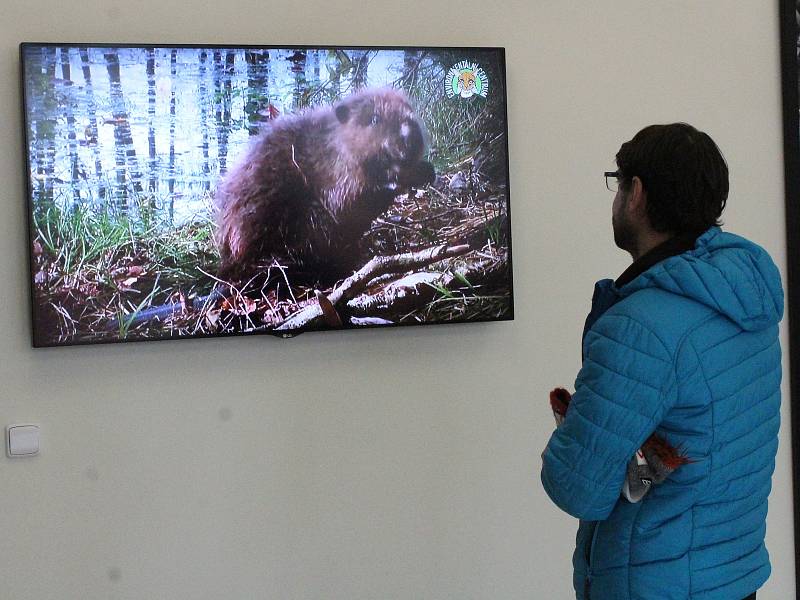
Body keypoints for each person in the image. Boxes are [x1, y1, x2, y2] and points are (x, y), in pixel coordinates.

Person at [540, 123, 783, 600]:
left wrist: (575, 429)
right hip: (732, 576)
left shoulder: (638, 326)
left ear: (637, 195)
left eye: (618, 182)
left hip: (656, 585)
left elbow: (576, 487)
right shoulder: (743, 295)